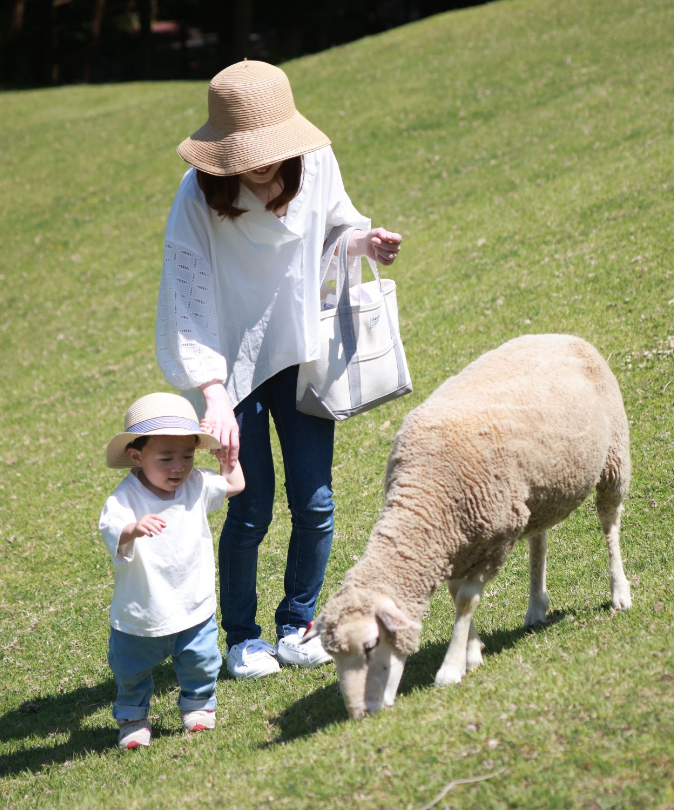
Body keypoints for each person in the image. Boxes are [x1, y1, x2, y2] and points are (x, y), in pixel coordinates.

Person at [156, 60, 403, 680]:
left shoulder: (315, 164)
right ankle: (242, 638)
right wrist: (211, 394)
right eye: (246, 151)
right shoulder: (197, 194)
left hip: (301, 354)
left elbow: (335, 231)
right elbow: (186, 300)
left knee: (315, 502)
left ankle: (299, 624)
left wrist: (364, 244)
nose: (262, 163)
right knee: (251, 506)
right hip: (231, 371)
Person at [98, 392, 245, 749]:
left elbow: (235, 485)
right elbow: (111, 529)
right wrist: (133, 528)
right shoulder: (125, 499)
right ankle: (133, 717)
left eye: (187, 456)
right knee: (131, 670)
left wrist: (229, 458)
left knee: (202, 659)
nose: (178, 467)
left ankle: (197, 704)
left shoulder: (195, 484)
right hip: (142, 611)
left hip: (193, 602)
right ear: (137, 456)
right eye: (166, 458)